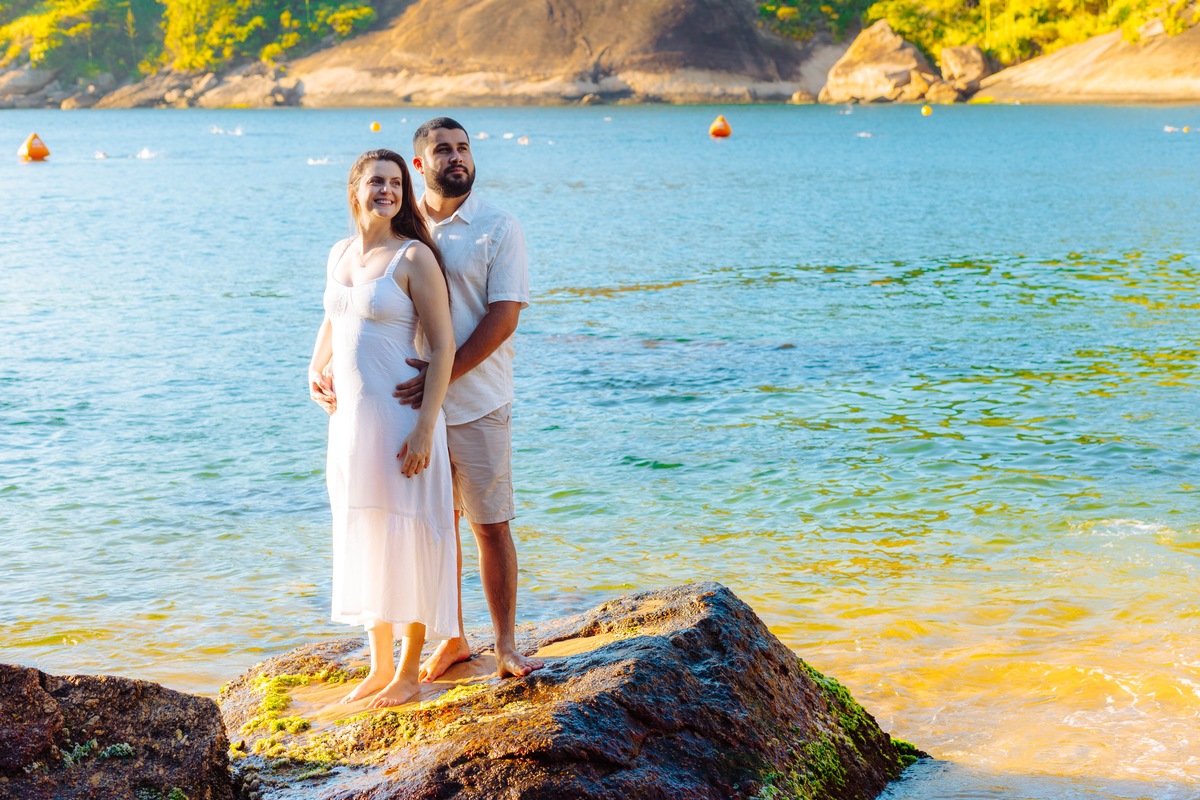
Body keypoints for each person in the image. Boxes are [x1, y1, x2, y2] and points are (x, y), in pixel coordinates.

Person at [393, 117, 544, 681]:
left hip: (479, 401)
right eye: (443, 150)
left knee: (490, 524)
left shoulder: (498, 227)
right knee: (436, 527)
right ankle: (454, 637)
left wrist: (442, 374)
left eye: (463, 148)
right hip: (410, 409)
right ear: (419, 164)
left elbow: (504, 317)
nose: (456, 157)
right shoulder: (401, 226)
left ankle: (505, 645)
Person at [308, 148, 457, 708]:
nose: (387, 191)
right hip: (349, 426)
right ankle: (379, 667)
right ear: (355, 189)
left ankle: (410, 673)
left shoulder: (414, 257)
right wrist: (313, 369)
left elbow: (444, 348)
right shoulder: (340, 252)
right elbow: (334, 315)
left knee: (409, 536)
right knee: (365, 530)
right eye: (376, 181)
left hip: (401, 422)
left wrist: (425, 428)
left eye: (395, 182)